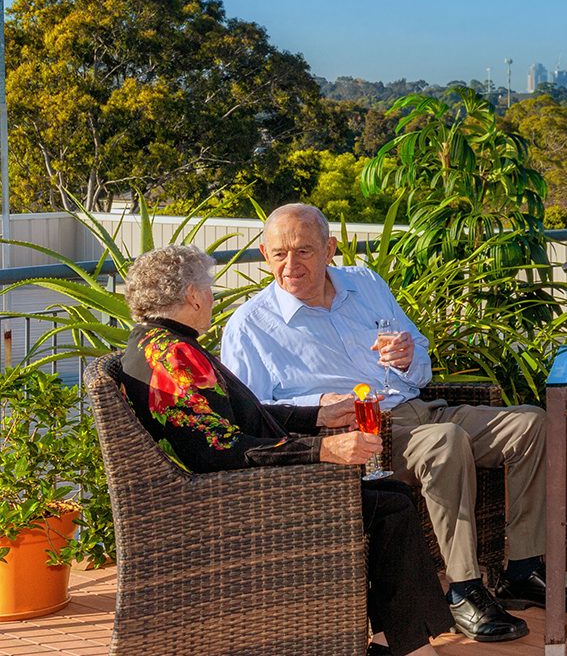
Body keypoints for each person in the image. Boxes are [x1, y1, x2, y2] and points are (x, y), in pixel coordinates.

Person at [220, 204, 567, 645]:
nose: (291, 265)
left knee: (533, 424)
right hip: (359, 437)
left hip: (420, 409)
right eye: (279, 253)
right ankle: (464, 589)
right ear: (264, 253)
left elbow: (419, 360)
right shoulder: (251, 325)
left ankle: (523, 569)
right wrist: (318, 405)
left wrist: (408, 356)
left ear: (329, 249)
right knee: (445, 442)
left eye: (303, 251)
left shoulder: (365, 284)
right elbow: (252, 412)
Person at [117, 245, 452, 656]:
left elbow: (238, 417)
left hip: (229, 486)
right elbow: (219, 450)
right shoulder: (175, 356)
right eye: (209, 288)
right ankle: (408, 647)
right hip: (236, 501)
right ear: (193, 296)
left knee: (390, 496)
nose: (212, 297)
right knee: (391, 505)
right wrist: (321, 449)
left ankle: (393, 642)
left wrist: (317, 415)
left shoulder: (156, 345)